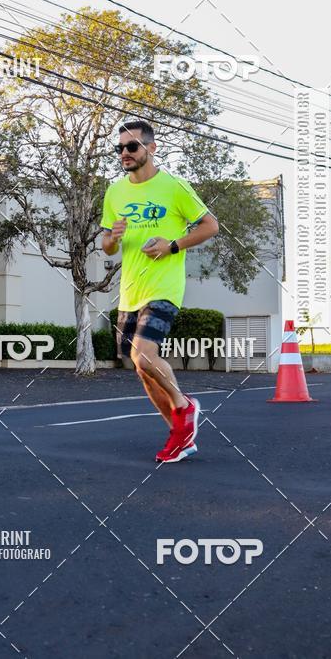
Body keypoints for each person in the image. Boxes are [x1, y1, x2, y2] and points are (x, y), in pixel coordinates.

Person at [100, 119, 219, 463]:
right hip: (130, 291)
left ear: (151, 148)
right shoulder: (115, 192)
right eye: (120, 148)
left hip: (164, 287)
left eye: (131, 146)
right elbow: (107, 246)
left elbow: (210, 225)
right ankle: (180, 434)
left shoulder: (175, 187)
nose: (124, 153)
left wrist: (172, 246)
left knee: (143, 355)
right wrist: (112, 237)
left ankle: (184, 406)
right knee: (141, 368)